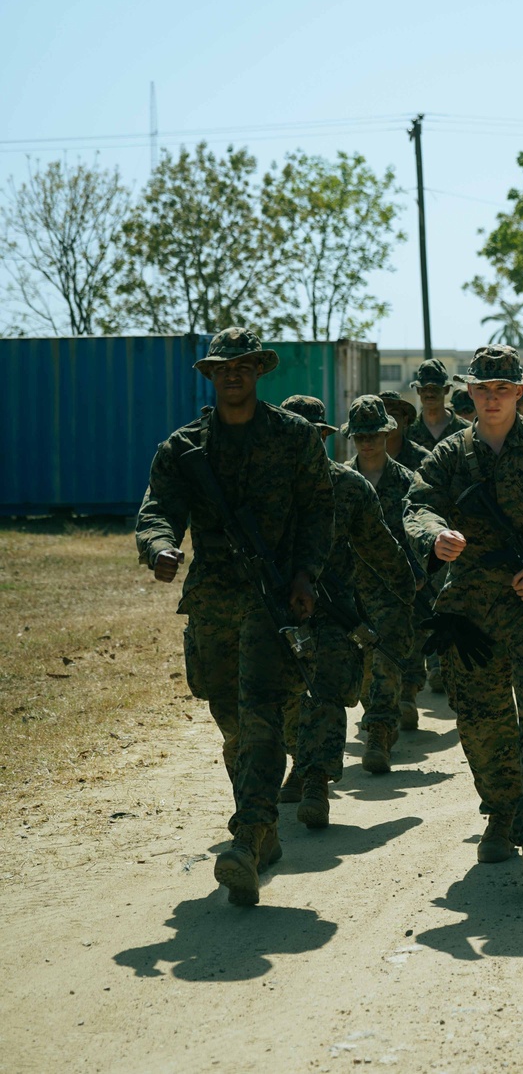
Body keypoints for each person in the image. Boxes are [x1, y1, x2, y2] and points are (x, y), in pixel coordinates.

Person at [136, 328, 334, 906]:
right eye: (222, 367)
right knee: (232, 722)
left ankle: (247, 838)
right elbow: (157, 510)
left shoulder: (293, 438)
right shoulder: (184, 446)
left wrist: (306, 575)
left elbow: (319, 511)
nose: (232, 375)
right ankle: (265, 826)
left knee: (262, 717)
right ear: (209, 375)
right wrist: (159, 548)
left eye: (243, 366)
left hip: (272, 602)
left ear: (258, 372)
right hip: (213, 603)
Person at [404, 346, 523, 892]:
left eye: (502, 389)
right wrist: (434, 535)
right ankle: (502, 812)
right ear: (469, 393)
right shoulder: (450, 455)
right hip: (471, 602)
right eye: (482, 389)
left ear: (520, 393)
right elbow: (418, 503)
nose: (491, 398)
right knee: (481, 718)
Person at [279, 396, 413, 796]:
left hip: (345, 602)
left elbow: (389, 545)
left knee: (335, 688)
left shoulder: (352, 486)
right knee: (286, 694)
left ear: (323, 436)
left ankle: (329, 768)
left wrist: (411, 590)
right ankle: (300, 761)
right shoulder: (260, 488)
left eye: (310, 435)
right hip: (280, 609)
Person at [343, 395, 426, 737]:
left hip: (393, 590)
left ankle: (380, 731)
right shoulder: (340, 480)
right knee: (361, 668)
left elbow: (420, 531)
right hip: (349, 592)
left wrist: (418, 574)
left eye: (374, 435)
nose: (367, 443)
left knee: (387, 661)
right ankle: (376, 713)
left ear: (387, 434)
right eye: (361, 436)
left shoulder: (407, 482)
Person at [409, 358, 467, 449]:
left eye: (435, 389)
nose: (429, 394)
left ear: (446, 389)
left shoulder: (465, 430)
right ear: (418, 391)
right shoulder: (407, 432)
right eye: (425, 389)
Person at [379, 391, 430, 472]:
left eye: (393, 414)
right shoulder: (367, 456)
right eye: (382, 414)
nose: (387, 419)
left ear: (405, 421)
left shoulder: (423, 459)